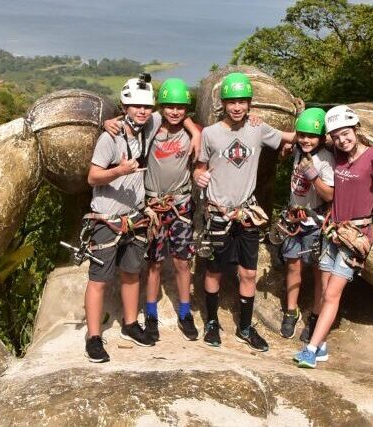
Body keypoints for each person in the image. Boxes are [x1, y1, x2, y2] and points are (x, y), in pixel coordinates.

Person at [294, 105, 373, 368]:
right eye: (336, 137)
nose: (342, 140)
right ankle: (321, 346)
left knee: (333, 294)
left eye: (346, 134)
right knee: (324, 290)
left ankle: (311, 349)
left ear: (356, 130)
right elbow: (307, 140)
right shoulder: (338, 154)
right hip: (333, 231)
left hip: (354, 236)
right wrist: (300, 115)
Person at [193, 72, 295, 352]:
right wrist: (199, 176)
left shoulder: (258, 129)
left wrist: (320, 128)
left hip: (247, 212)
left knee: (248, 273)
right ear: (223, 104)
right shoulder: (210, 134)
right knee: (214, 270)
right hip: (218, 213)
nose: (237, 107)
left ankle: (246, 327)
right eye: (232, 102)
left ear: (249, 104)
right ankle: (211, 322)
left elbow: (294, 137)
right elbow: (200, 167)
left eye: (242, 102)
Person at [83, 75, 160, 363]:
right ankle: (93, 337)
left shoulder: (148, 128)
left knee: (131, 272)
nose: (142, 111)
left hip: (134, 217)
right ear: (125, 107)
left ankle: (129, 324)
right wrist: (119, 171)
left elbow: (177, 116)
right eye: (136, 106)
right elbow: (93, 177)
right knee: (99, 279)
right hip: (107, 218)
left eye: (146, 106)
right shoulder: (109, 138)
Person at [141, 78, 201, 341]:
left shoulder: (192, 132)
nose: (175, 112)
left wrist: (195, 131)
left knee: (182, 261)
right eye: (170, 106)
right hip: (154, 205)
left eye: (180, 107)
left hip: (180, 205)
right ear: (161, 107)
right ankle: (151, 313)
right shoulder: (151, 126)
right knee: (154, 262)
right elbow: (132, 119)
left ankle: (185, 312)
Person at [274, 108, 334, 340]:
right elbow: (288, 137)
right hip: (294, 218)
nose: (306, 140)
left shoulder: (326, 159)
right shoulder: (299, 148)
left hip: (315, 221)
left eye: (311, 136)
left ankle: (316, 315)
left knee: (319, 272)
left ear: (321, 138)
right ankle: (291, 310)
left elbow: (329, 195)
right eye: (302, 135)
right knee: (293, 265)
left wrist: (313, 176)